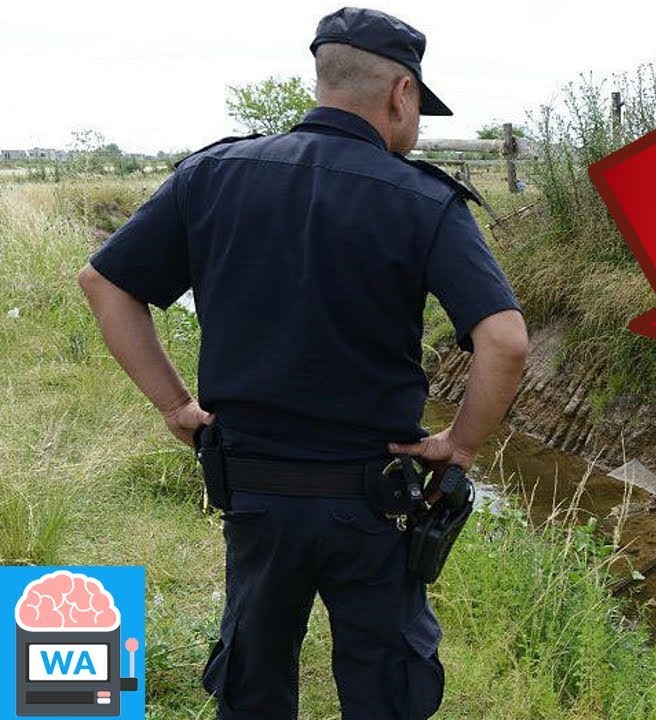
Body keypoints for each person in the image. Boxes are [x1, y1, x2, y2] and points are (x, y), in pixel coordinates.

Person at [77, 7, 528, 719]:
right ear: (399, 94)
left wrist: (176, 408)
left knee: (253, 688)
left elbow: (106, 283)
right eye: (419, 108)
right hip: (375, 501)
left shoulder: (212, 175)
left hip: (254, 493)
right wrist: (460, 446)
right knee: (386, 692)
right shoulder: (422, 200)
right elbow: (504, 340)